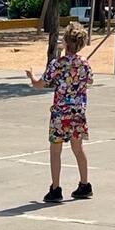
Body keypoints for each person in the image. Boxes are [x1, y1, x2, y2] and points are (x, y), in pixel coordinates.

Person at [27, 22, 94, 203]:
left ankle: (55, 188)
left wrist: (31, 76)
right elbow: (89, 82)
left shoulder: (57, 64)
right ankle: (84, 184)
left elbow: (40, 84)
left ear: (65, 42)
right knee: (78, 149)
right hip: (78, 112)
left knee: (55, 150)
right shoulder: (84, 64)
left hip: (60, 113)